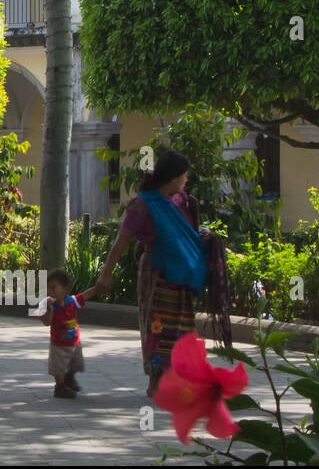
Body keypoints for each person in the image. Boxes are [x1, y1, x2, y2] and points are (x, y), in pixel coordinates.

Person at [88, 149, 232, 398]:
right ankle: (156, 381)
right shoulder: (142, 205)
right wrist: (106, 275)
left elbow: (183, 235)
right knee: (158, 328)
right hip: (156, 277)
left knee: (182, 329)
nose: (186, 180)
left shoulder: (183, 203)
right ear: (174, 177)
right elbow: (121, 242)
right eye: (184, 175)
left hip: (181, 279)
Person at [37, 270, 86, 399]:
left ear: (65, 289)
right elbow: (46, 323)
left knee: (77, 363)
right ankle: (60, 387)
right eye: (48, 289)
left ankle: (69, 378)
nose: (51, 292)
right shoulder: (46, 305)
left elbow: (85, 296)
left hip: (74, 342)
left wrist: (98, 287)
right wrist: (50, 310)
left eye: (54, 288)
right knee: (58, 368)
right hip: (58, 344)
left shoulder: (71, 301)